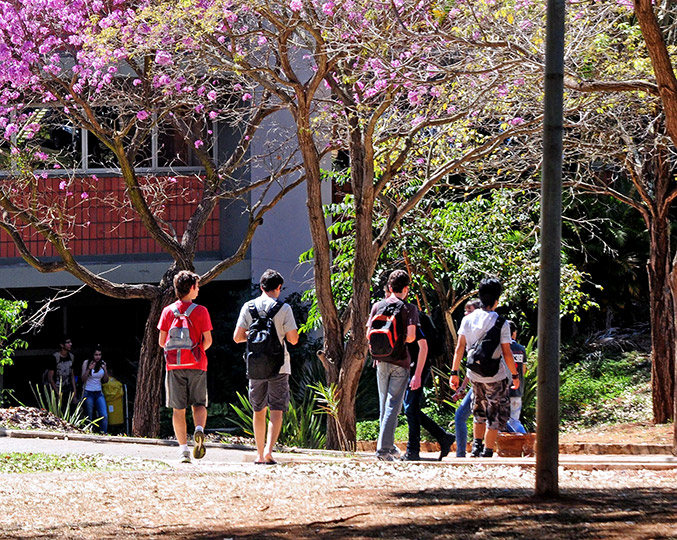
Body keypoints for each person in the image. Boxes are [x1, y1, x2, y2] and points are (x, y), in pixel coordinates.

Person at [233, 269, 298, 465]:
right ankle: (270, 452)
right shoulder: (284, 308)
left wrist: (254, 339)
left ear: (261, 287)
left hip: (255, 366)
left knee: (258, 410)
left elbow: (237, 337)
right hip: (279, 366)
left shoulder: (248, 306)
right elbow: (293, 340)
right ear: (278, 288)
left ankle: (259, 454)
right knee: (276, 409)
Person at [450, 278, 519, 458]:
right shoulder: (501, 322)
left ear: (480, 297)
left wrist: (454, 373)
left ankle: (476, 447)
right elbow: (507, 353)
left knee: (478, 410)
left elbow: (460, 348)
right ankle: (488, 451)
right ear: (497, 300)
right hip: (495, 376)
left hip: (474, 374)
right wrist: (515, 374)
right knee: (495, 414)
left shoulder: (468, 320)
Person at [158, 270, 213, 463]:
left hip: (174, 366)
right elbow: (208, 340)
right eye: (197, 286)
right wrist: (196, 352)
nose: (198, 290)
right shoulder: (201, 311)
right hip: (197, 364)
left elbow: (162, 342)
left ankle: (183, 451)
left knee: (177, 409)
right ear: (191, 287)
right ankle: (199, 429)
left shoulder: (167, 311)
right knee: (199, 403)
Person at [367, 269, 418, 461]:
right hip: (400, 361)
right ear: (405, 289)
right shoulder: (409, 308)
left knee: (384, 405)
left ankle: (386, 447)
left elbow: (368, 335)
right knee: (393, 405)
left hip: (380, 361)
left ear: (389, 287)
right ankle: (383, 449)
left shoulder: (377, 306)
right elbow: (412, 337)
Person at [402, 311, 455, 461]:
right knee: (410, 408)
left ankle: (413, 450)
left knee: (410, 408)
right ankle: (442, 436)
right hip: (414, 366)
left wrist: (417, 374)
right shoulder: (413, 315)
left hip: (419, 366)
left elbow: (423, 347)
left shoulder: (412, 317)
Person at [453, 298, 481, 457]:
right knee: (491, 417)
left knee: (491, 418)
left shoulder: (477, 329)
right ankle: (463, 452)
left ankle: (461, 453)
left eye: (469, 310)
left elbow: (459, 349)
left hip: (485, 381)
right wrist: (463, 386)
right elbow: (473, 367)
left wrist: (453, 372)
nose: (465, 314)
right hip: (478, 380)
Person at [81, 345, 109, 434]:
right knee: (89, 416)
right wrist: (89, 369)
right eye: (96, 355)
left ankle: (103, 433)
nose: (98, 357)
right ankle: (89, 433)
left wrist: (105, 370)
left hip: (99, 392)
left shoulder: (103, 363)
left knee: (104, 415)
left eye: (99, 355)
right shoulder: (86, 362)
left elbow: (106, 380)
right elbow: (82, 379)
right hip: (88, 392)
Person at [506, 320, 527, 434]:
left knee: (498, 422)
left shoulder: (501, 349)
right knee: (515, 420)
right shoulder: (521, 349)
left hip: (502, 391)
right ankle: (525, 441)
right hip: (517, 390)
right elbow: (523, 370)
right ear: (514, 333)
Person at [46, 336, 77, 402]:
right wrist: (58, 393)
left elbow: (72, 375)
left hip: (68, 387)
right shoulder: (55, 357)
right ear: (62, 345)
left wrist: (74, 391)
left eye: (70, 342)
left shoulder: (71, 357)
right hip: (57, 387)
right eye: (68, 343)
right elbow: (50, 378)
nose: (70, 344)